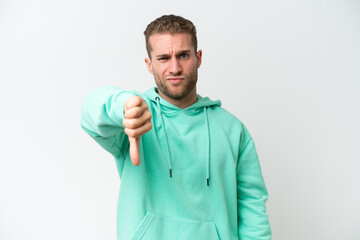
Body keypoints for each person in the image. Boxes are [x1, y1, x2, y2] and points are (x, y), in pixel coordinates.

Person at [81, 14, 271, 240]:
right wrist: (123, 106)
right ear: (149, 64)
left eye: (183, 55)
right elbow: (89, 112)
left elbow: (252, 207)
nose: (175, 68)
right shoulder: (135, 118)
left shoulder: (233, 130)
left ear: (198, 58)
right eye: (163, 58)